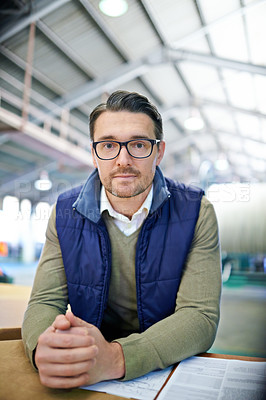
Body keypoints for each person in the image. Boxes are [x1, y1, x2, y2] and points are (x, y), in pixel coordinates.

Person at [22, 90, 222, 389]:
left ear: (159, 152)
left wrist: (117, 358)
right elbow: (44, 301)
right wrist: (44, 349)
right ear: (93, 153)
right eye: (108, 145)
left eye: (139, 144)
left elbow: (200, 316)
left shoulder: (196, 211)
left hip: (165, 360)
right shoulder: (65, 212)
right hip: (90, 357)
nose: (123, 160)